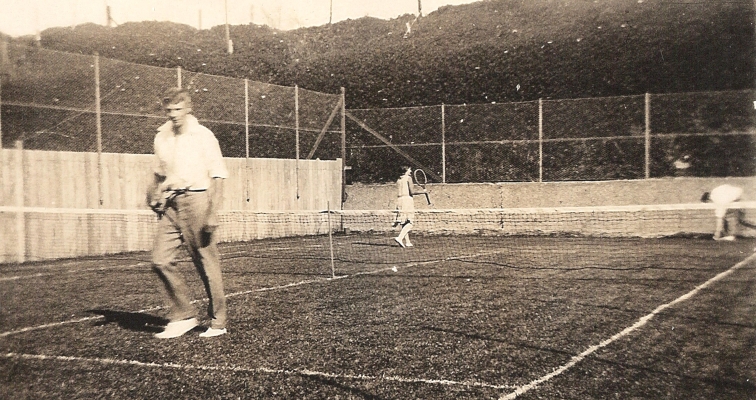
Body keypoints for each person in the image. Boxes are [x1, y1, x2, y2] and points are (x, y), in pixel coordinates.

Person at [147, 87, 229, 338]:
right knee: (160, 260)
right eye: (169, 110)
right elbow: (158, 173)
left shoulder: (203, 136)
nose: (174, 114)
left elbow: (219, 176)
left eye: (178, 109)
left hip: (197, 202)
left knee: (206, 263)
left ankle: (218, 323)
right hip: (171, 205)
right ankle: (183, 316)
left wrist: (212, 213)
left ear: (188, 109)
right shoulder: (161, 136)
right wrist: (152, 195)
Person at [393, 165, 425, 248]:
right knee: (410, 222)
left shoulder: (398, 180)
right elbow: (412, 192)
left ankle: (407, 242)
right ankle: (400, 238)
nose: (410, 171)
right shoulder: (408, 178)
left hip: (399, 201)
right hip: (407, 200)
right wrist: (423, 192)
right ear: (406, 170)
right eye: (409, 170)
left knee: (404, 221)